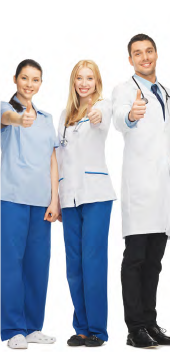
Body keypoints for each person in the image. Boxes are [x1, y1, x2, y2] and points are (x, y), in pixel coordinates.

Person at [112, 34, 170, 348]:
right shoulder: (125, 90)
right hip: (140, 186)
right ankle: (134, 329)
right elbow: (119, 118)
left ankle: (151, 324)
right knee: (136, 258)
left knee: (155, 261)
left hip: (165, 186)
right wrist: (130, 115)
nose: (144, 57)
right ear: (130, 59)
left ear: (156, 53)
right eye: (137, 53)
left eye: (149, 51)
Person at [56, 60, 116, 348]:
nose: (84, 83)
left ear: (96, 81)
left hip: (96, 196)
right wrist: (55, 199)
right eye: (79, 78)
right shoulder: (65, 116)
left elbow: (101, 117)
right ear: (73, 81)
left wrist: (95, 113)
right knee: (74, 265)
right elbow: (57, 158)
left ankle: (97, 330)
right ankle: (80, 328)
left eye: (89, 78)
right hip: (69, 198)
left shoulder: (102, 107)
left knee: (93, 262)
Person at [0, 59, 58, 349]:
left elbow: (52, 160)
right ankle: (12, 329)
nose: (29, 84)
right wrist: (18, 118)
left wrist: (55, 199)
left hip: (41, 202)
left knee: (38, 265)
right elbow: (6, 119)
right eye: (25, 78)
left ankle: (33, 326)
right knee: (10, 264)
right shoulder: (5, 108)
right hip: (11, 198)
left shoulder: (47, 118)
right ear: (15, 79)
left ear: (40, 83)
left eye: (35, 79)